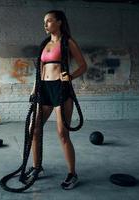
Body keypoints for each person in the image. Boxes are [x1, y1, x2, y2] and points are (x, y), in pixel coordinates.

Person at [26, 10, 87, 190]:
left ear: (59, 22)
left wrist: (70, 76)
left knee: (62, 133)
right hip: (43, 88)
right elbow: (40, 70)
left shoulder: (68, 42)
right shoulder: (45, 44)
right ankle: (37, 168)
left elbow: (83, 66)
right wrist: (34, 89)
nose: (45, 24)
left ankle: (72, 174)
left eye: (49, 21)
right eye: (44, 21)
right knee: (34, 128)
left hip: (60, 89)